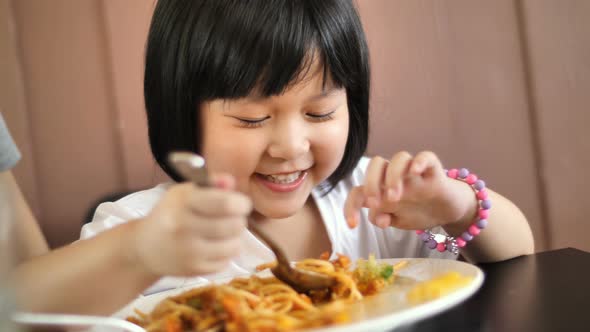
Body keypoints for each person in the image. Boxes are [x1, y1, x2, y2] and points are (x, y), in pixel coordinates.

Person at [82, 0, 534, 293]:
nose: (290, 146)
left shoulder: (376, 207)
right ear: (181, 111)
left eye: (320, 114)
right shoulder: (136, 230)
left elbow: (514, 262)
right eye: (252, 118)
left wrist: (453, 211)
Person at [0, 112, 251, 315]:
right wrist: (138, 249)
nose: (290, 147)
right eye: (253, 119)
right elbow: (22, 310)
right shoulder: (132, 218)